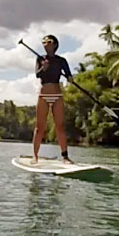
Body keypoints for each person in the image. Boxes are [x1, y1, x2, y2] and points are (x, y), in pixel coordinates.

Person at [33, 35, 73, 164]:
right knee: (40, 127)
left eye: (48, 42)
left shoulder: (61, 61)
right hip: (44, 95)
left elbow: (68, 74)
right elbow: (38, 74)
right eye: (43, 42)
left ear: (55, 44)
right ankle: (35, 156)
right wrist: (43, 67)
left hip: (57, 95)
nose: (45, 44)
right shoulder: (40, 59)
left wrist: (69, 77)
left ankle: (65, 157)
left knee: (60, 127)